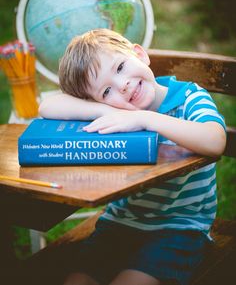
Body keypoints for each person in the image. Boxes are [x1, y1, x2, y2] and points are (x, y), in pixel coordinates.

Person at [39, 29, 226, 285]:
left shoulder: (189, 98)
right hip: (118, 223)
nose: (123, 84)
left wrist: (143, 118)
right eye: (106, 90)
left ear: (139, 54)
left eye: (120, 68)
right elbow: (47, 106)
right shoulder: (116, 113)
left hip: (178, 229)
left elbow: (215, 141)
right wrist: (106, 108)